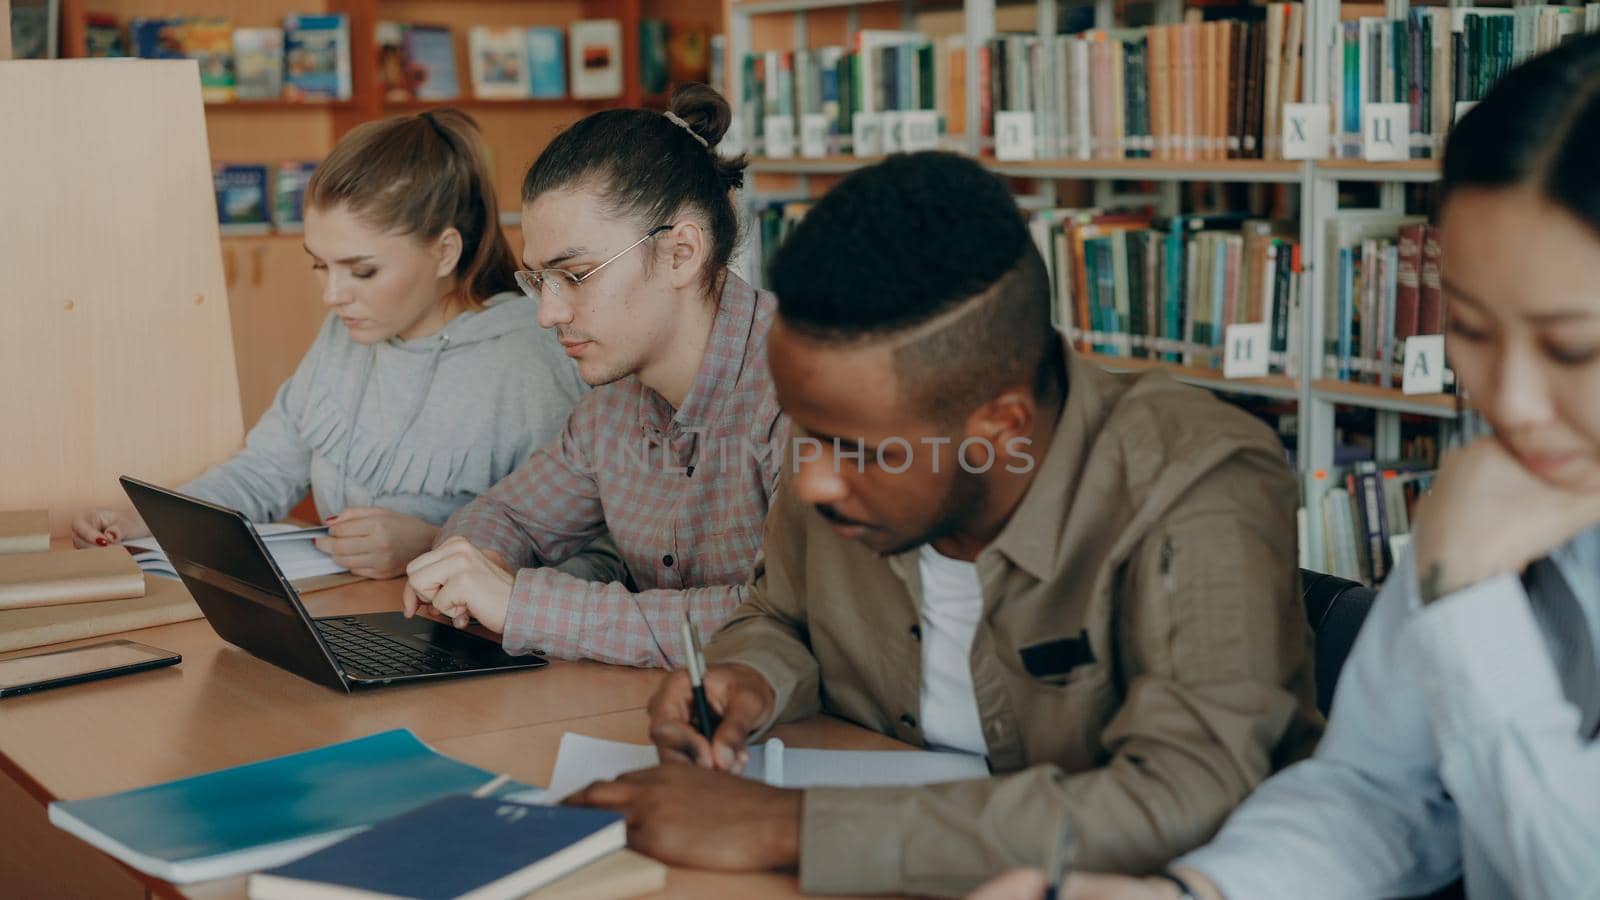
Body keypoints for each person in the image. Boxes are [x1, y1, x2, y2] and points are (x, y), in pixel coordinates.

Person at [565, 151, 1321, 896]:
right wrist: (749, 680)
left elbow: (1185, 793)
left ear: (1000, 426)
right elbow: (780, 615)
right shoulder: (846, 426)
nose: (814, 478)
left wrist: (790, 827)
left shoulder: (1198, 481)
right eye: (807, 431)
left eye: (857, 451)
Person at [983, 32, 1600, 900]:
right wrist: (1192, 894)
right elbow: (1379, 793)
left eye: (1572, 349)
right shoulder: (1500, 475)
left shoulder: (1480, 514)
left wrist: (1469, 607)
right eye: (1471, 328)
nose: (1512, 401)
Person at [72, 109, 588, 579]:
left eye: (362, 270)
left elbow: (592, 554)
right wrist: (154, 518)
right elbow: (267, 470)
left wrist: (437, 544)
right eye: (320, 264)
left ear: (444, 251)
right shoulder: (350, 330)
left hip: (476, 643)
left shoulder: (534, 355)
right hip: (351, 616)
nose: (332, 295)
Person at [401, 85, 788, 667]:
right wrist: (469, 565)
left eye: (577, 275)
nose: (548, 313)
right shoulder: (610, 408)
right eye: (539, 280)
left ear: (682, 252)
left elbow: (783, 617)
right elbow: (505, 515)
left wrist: (521, 605)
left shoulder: (807, 393)